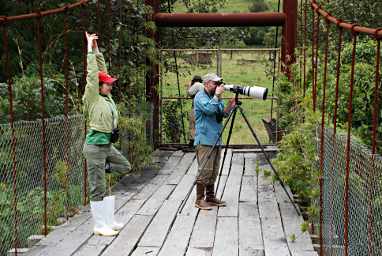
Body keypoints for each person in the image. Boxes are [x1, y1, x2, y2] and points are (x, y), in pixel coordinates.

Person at [82, 32, 132, 236]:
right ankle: (100, 225)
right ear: (99, 86)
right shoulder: (92, 96)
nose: (111, 86)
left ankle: (109, 220)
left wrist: (96, 49)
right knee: (97, 187)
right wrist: (88, 50)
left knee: (124, 166)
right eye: (108, 83)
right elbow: (93, 74)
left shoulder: (107, 97)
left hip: (107, 146)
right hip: (94, 147)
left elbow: (102, 71)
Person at [193, 73, 235, 210]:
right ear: (206, 83)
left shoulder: (215, 98)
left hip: (216, 139)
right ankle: (199, 200)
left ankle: (210, 197)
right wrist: (217, 96)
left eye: (218, 83)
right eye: (214, 83)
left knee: (213, 170)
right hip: (205, 140)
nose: (217, 86)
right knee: (205, 170)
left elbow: (220, 116)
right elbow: (209, 110)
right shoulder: (200, 97)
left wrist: (230, 106)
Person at [187, 75, 204, 147]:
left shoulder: (197, 85)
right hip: (202, 108)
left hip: (196, 108)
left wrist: (189, 86)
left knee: (192, 125)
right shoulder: (202, 86)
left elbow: (189, 93)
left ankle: (193, 142)